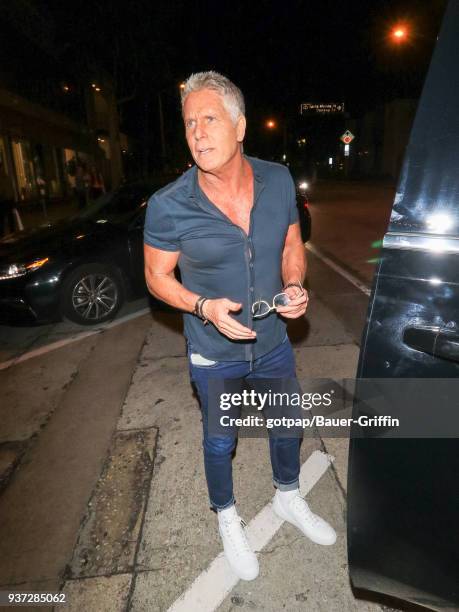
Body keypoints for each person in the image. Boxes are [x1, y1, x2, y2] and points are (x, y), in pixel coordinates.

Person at [143, 71, 336, 582]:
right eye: (189, 124)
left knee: (287, 424)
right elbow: (157, 277)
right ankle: (227, 516)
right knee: (219, 440)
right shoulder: (168, 205)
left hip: (273, 340)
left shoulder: (277, 180)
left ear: (240, 125)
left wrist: (295, 285)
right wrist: (204, 307)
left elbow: (293, 246)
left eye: (209, 119)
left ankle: (289, 496)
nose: (198, 133)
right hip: (213, 347)